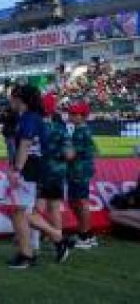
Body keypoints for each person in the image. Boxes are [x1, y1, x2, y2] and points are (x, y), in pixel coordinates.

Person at [6, 84, 71, 268]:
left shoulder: (29, 118)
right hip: (35, 168)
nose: (10, 101)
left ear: (20, 99)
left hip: (31, 169)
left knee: (19, 212)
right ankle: (55, 239)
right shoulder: (31, 117)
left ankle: (27, 255)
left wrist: (16, 170)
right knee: (21, 212)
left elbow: (25, 146)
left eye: (12, 97)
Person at [37, 93, 74, 246]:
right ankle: (57, 240)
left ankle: (34, 241)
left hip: (40, 171)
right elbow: (69, 154)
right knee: (54, 207)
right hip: (58, 172)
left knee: (36, 209)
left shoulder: (37, 124)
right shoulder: (60, 127)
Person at [66, 100, 98, 248]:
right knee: (76, 202)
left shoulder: (80, 131)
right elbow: (95, 150)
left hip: (78, 171)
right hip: (81, 170)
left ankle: (84, 235)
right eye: (70, 112)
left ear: (83, 116)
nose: (70, 115)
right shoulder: (83, 129)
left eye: (74, 113)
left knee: (80, 202)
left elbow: (70, 155)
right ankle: (87, 232)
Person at [0, 85, 20, 165]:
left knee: (12, 147)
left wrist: (6, 115)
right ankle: (11, 161)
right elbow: (0, 120)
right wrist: (3, 114)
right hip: (7, 131)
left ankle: (13, 162)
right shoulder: (7, 110)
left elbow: (15, 119)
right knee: (9, 147)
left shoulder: (15, 110)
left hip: (12, 131)